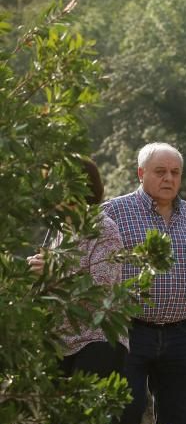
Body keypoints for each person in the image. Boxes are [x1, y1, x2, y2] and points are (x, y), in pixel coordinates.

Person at [103, 142, 186, 424]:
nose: (168, 178)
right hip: (128, 331)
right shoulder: (114, 212)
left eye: (175, 172)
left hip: (180, 334)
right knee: (123, 417)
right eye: (160, 171)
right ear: (141, 173)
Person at [28, 157, 128, 381]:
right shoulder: (61, 230)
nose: (49, 190)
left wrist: (52, 271)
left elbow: (101, 291)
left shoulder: (104, 228)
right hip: (62, 343)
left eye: (55, 183)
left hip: (97, 341)